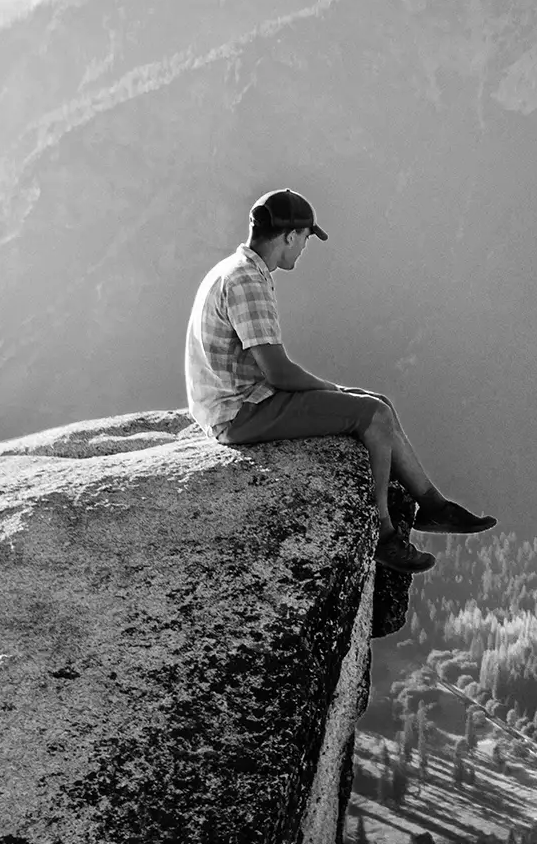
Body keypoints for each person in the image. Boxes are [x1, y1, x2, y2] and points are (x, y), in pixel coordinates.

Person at [184, 187, 494, 574]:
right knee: (373, 416)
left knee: (377, 401)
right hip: (239, 412)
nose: (304, 249)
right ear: (289, 236)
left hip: (240, 399)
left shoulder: (235, 269)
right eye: (305, 240)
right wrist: (329, 390)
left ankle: (433, 507)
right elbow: (277, 371)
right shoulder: (247, 281)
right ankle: (382, 533)